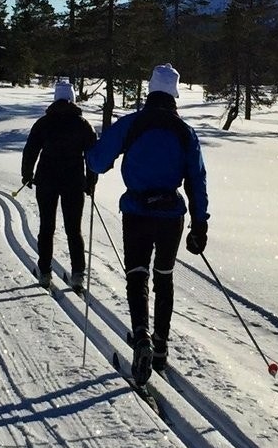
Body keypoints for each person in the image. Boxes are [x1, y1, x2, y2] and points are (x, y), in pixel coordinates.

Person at [86, 63, 208, 385]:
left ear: (150, 90)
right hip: (171, 216)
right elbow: (196, 180)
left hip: (138, 212)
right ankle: (161, 346)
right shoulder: (184, 132)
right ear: (175, 94)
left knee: (137, 275)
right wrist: (199, 225)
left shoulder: (133, 123)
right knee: (164, 278)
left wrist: (94, 161)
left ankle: (141, 336)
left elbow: (97, 160)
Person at [21, 80, 97, 290]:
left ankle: (45, 272)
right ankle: (78, 274)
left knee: (47, 227)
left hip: (47, 180)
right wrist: (91, 182)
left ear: (55, 98)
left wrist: (27, 174)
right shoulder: (83, 124)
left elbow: (30, 150)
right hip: (73, 181)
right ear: (72, 98)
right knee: (74, 229)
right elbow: (92, 157)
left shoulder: (43, 123)